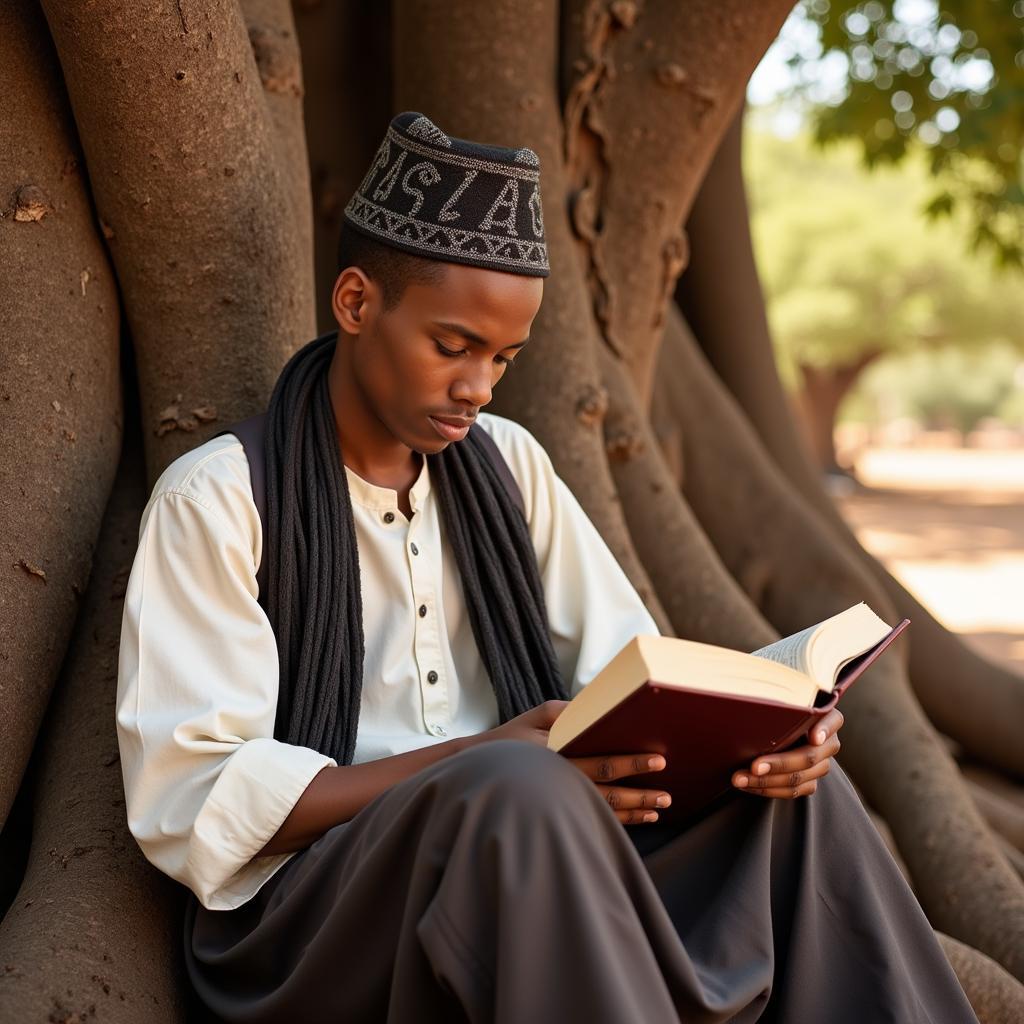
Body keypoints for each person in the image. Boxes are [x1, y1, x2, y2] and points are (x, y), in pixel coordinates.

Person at [116, 111, 977, 1023]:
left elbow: (630, 679)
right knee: (522, 790)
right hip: (312, 920)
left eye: (503, 358)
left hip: (539, 848)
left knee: (795, 799)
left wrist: (760, 740)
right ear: (358, 303)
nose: (479, 387)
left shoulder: (510, 465)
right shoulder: (219, 497)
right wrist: (476, 761)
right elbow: (193, 795)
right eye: (452, 347)